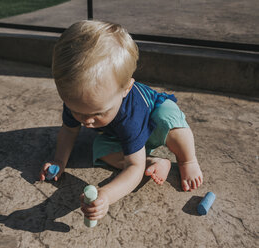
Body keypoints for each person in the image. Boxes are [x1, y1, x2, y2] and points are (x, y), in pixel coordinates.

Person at [39, 20, 203, 221]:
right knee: (100, 148)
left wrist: (106, 195)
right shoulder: (78, 100)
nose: (87, 121)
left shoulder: (129, 116)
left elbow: (133, 169)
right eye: (77, 111)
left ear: (126, 89)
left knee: (169, 118)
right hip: (117, 133)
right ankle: (153, 161)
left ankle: (187, 159)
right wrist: (59, 159)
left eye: (98, 112)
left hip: (152, 122)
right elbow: (69, 130)